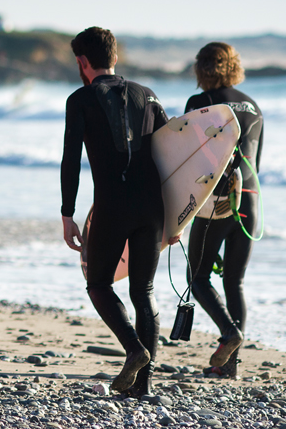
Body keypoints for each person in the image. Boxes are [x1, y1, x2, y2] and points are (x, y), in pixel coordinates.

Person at [60, 27, 172, 397]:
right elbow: (172, 156)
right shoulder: (149, 95)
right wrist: (178, 216)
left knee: (98, 284)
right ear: (116, 57)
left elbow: (70, 161)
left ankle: (135, 349)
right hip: (153, 205)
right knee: (144, 290)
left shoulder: (79, 99)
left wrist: (67, 214)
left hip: (112, 205)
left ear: (82, 61)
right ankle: (143, 386)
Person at [185, 42, 264, 378]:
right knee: (234, 281)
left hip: (215, 203)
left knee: (198, 277)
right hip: (250, 200)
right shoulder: (254, 106)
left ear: (201, 68)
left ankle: (229, 333)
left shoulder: (201, 103)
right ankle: (229, 367)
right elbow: (256, 162)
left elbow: (187, 160)